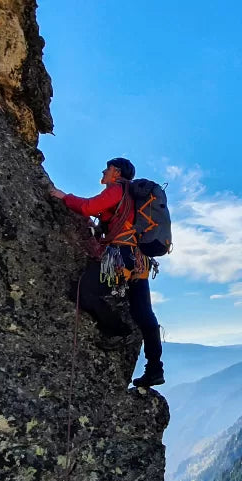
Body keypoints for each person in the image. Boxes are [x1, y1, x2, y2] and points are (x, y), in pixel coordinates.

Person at [49, 157, 164, 387]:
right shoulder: (131, 196)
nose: (103, 171)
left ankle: (116, 330)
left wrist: (63, 197)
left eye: (107, 168)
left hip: (119, 257)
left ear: (116, 171)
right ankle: (155, 369)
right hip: (138, 261)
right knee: (144, 314)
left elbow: (88, 207)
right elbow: (114, 220)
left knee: (84, 291)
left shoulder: (116, 190)